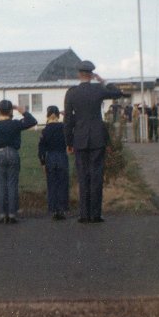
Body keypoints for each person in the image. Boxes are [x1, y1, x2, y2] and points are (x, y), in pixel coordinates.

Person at [63, 60, 126, 223]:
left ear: (79, 74)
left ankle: (84, 214)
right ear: (91, 74)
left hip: (80, 138)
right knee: (96, 175)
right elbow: (118, 93)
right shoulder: (98, 89)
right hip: (97, 137)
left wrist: (68, 142)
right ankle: (96, 214)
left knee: (83, 176)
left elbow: (68, 120)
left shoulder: (71, 93)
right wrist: (103, 81)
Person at [0, 100, 37, 224]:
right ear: (11, 111)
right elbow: (32, 121)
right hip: (13, 153)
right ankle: (12, 214)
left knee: (1, 185)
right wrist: (21, 110)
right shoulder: (15, 124)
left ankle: (2, 214)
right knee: (12, 184)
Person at [38, 105, 69, 220]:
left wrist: (42, 162)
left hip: (50, 157)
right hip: (61, 156)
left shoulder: (45, 130)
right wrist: (66, 115)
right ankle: (62, 209)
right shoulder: (63, 127)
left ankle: (54, 210)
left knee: (52, 184)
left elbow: (41, 148)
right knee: (62, 184)